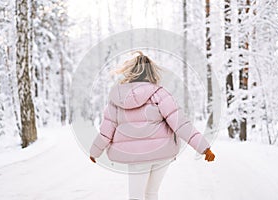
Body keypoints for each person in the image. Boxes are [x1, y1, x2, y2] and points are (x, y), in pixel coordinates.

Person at [89, 50, 215, 200]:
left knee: (136, 196)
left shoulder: (117, 99)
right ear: (152, 72)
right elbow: (181, 124)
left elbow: (105, 133)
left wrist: (94, 152)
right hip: (161, 153)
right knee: (151, 194)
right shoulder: (160, 94)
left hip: (135, 156)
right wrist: (204, 148)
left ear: (130, 72)